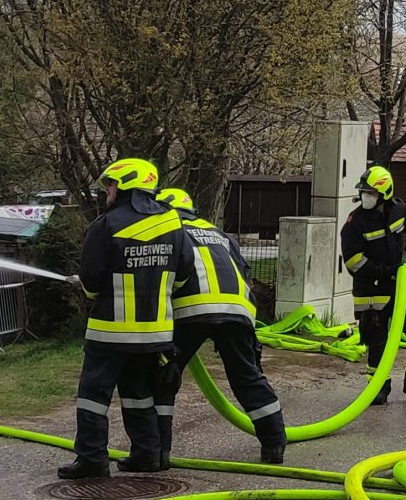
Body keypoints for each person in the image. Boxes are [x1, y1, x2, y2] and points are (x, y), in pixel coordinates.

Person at [62, 156, 183, 479]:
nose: (108, 191)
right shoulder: (173, 223)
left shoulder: (106, 225)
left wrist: (87, 290)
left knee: (93, 396)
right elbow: (183, 275)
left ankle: (92, 459)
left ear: (127, 184)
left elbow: (91, 282)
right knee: (138, 392)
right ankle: (147, 454)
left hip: (110, 331)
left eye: (111, 184)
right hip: (155, 333)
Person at [156, 188, 288, 466]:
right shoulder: (219, 233)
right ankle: (274, 443)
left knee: (164, 376)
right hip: (237, 310)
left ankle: (158, 452)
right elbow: (243, 271)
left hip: (190, 310)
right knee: (247, 376)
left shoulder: (166, 231)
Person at [339, 164, 406, 401]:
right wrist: (387, 272)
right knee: (378, 342)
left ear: (384, 193)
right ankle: (378, 389)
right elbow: (354, 262)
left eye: (371, 193)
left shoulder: (399, 211)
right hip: (372, 290)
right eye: (364, 192)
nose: (365, 197)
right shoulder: (355, 223)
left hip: (403, 285)